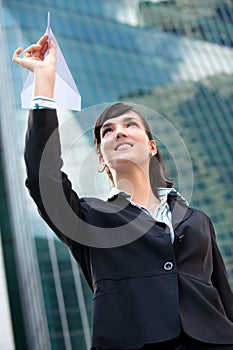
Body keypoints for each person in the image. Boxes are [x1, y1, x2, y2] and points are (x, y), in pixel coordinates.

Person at [13, 34, 233, 350]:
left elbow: (223, 296)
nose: (119, 132)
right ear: (102, 157)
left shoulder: (198, 220)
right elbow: (41, 179)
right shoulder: (89, 218)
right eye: (108, 131)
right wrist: (44, 83)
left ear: (151, 146)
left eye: (130, 125)